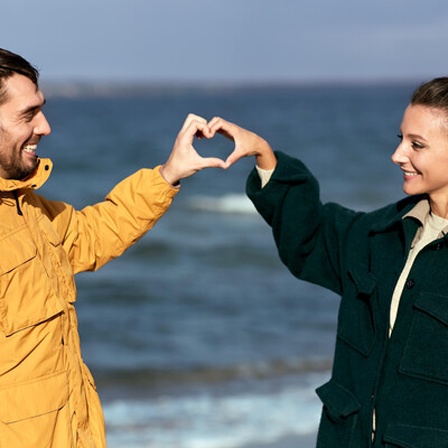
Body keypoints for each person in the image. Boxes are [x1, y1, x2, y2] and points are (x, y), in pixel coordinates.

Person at [0, 48, 227, 447]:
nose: (46, 127)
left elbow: (92, 233)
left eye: (42, 109)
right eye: (27, 114)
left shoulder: (27, 208)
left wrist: (168, 173)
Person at [207, 77, 448, 447]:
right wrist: (265, 156)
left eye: (416, 144)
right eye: (399, 139)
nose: (398, 155)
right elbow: (311, 235)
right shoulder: (378, 235)